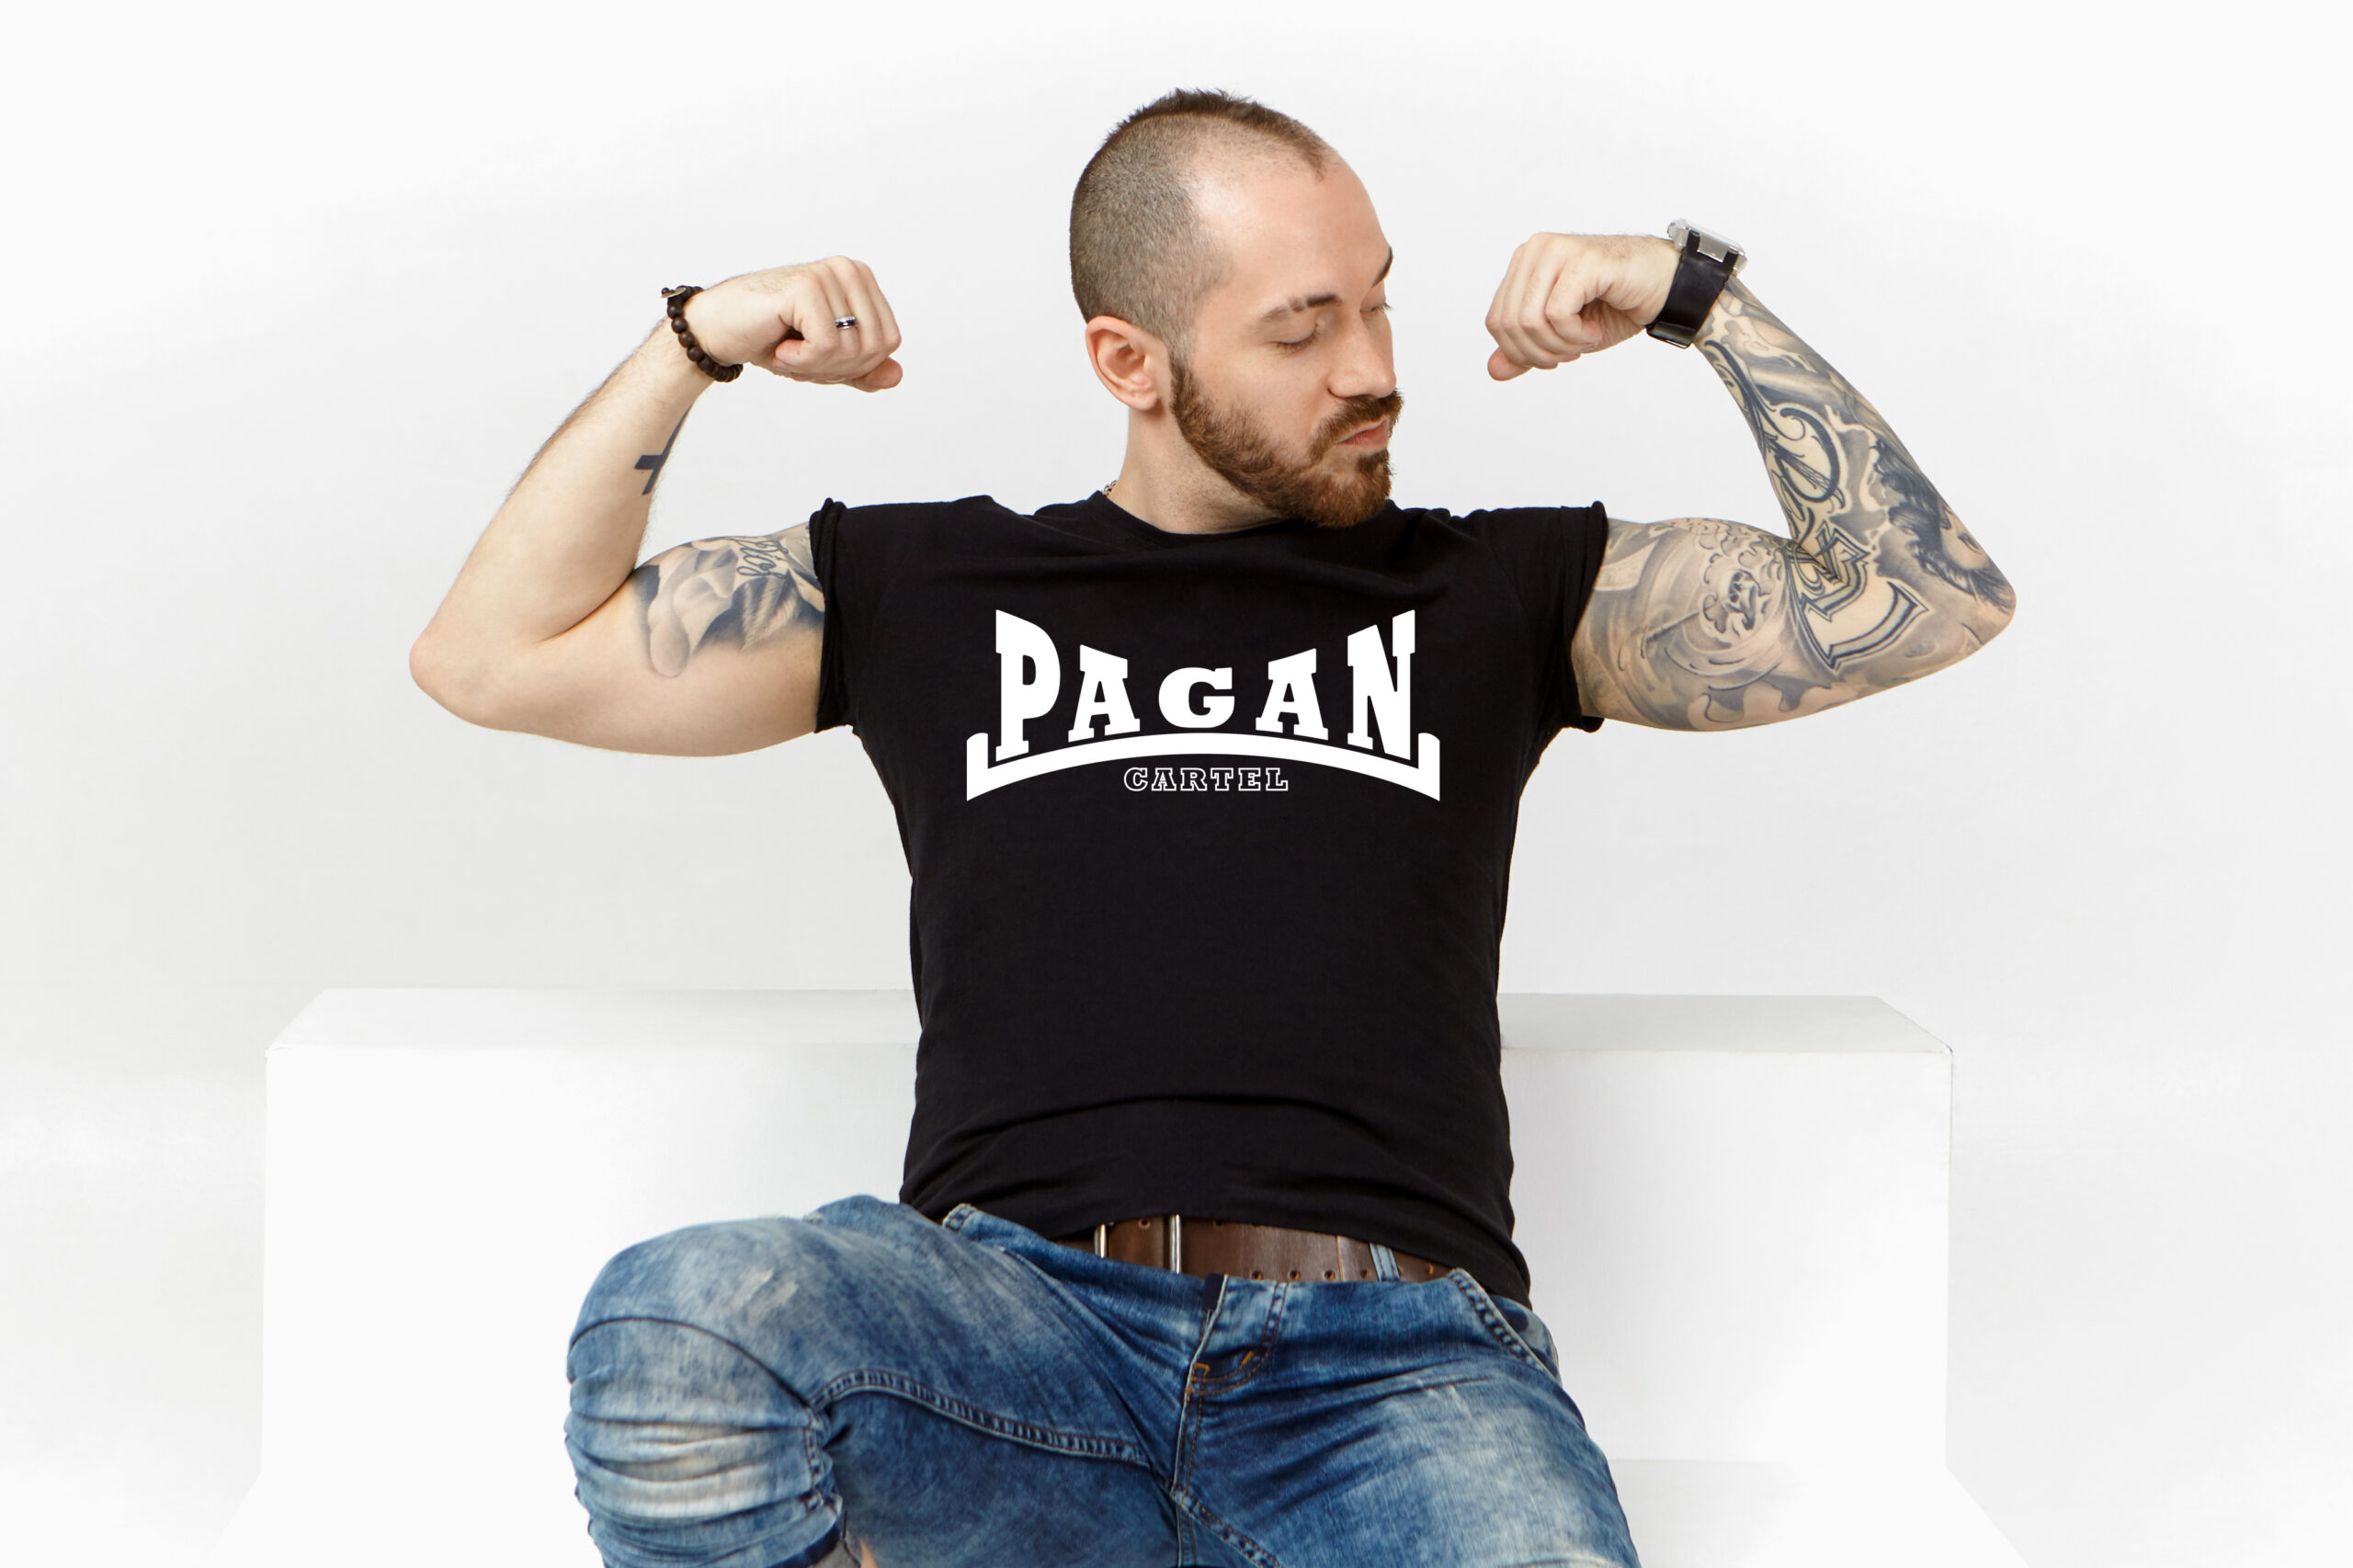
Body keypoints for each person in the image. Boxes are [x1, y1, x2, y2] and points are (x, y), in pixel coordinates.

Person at [411, 86, 2014, 1568]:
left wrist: (1695, 298)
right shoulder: (922, 586)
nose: (1377, 365)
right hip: (1013, 1329)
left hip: (1394, 1377)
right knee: (680, 1321)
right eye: (1304, 329)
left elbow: (1926, 602)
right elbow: (490, 654)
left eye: (1377, 298)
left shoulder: (1498, 588)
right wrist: (694, 341)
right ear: (1132, 361)